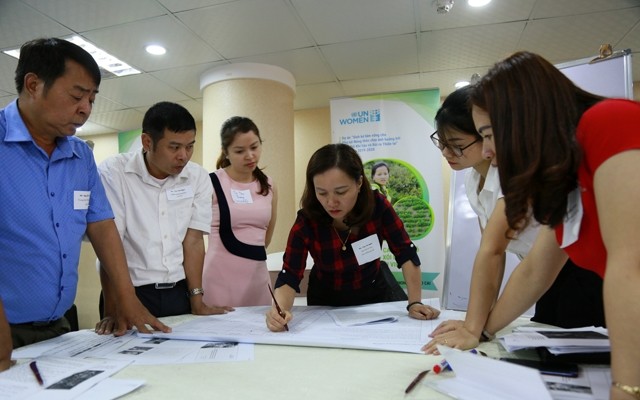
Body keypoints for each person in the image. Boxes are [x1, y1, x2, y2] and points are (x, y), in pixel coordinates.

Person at [467, 51, 640, 400]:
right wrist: (480, 332)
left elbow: (631, 266)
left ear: (523, 117)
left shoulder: (608, 122)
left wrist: (626, 387)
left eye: (489, 134)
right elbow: (535, 270)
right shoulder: (565, 176)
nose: (486, 151)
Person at [0, 37, 168, 349]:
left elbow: (102, 227)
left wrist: (126, 298)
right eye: (77, 96)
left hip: (57, 326)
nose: (85, 109)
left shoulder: (80, 155)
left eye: (92, 99)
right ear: (34, 85)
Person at [422, 86, 604, 354]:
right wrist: (476, 323)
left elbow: (495, 252)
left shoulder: (515, 171)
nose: (447, 154)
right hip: (546, 275)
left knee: (582, 357)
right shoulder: (474, 181)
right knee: (546, 348)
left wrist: (476, 329)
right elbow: (492, 253)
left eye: (457, 146)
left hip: (582, 272)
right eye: (443, 144)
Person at [266, 143, 440, 332]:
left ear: (359, 183)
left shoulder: (378, 207)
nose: (331, 202)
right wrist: (280, 311)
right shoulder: (307, 220)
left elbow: (406, 253)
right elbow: (290, 275)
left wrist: (414, 302)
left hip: (373, 293)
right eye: (322, 193)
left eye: (341, 192)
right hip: (325, 300)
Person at [96, 102, 234, 330]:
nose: (184, 156)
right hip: (130, 294)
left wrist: (196, 299)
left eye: (190, 146)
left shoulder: (198, 177)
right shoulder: (114, 172)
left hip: (178, 292)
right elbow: (110, 243)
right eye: (174, 147)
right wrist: (113, 308)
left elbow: (194, 241)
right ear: (147, 142)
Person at [202, 116, 278, 307]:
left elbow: (267, 235)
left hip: (256, 276)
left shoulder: (268, 184)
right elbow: (193, 236)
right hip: (219, 276)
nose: (250, 156)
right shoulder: (211, 182)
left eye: (254, 147)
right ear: (226, 152)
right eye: (239, 151)